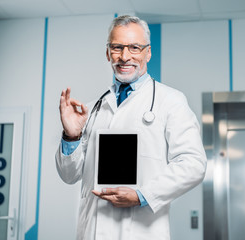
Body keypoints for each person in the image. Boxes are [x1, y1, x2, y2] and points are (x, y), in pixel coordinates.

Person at [55, 15, 207, 240]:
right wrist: (71, 135)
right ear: (108, 52)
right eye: (117, 47)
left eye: (135, 47)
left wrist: (142, 195)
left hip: (142, 231)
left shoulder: (170, 101)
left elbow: (193, 164)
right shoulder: (92, 109)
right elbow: (69, 175)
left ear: (148, 52)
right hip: (91, 232)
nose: (125, 57)